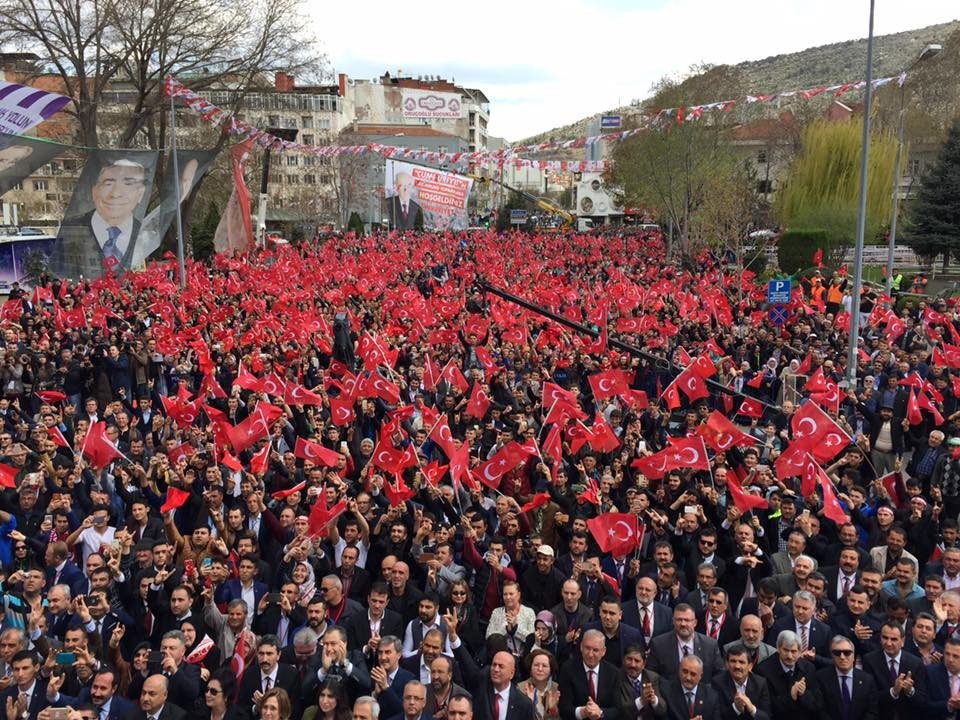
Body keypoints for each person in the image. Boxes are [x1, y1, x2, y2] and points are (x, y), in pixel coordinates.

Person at [814, 636, 878, 720]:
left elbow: (872, 711)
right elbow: (820, 710)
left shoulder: (867, 680)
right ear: (832, 656)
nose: (842, 657)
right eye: (837, 653)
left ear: (853, 656)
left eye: (847, 652)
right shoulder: (821, 678)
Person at [516, 650, 560, 720]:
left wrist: (552, 710)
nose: (540, 669)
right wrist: (529, 706)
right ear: (530, 667)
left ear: (551, 669)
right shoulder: (519, 688)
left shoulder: (557, 689)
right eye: (536, 665)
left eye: (544, 666)